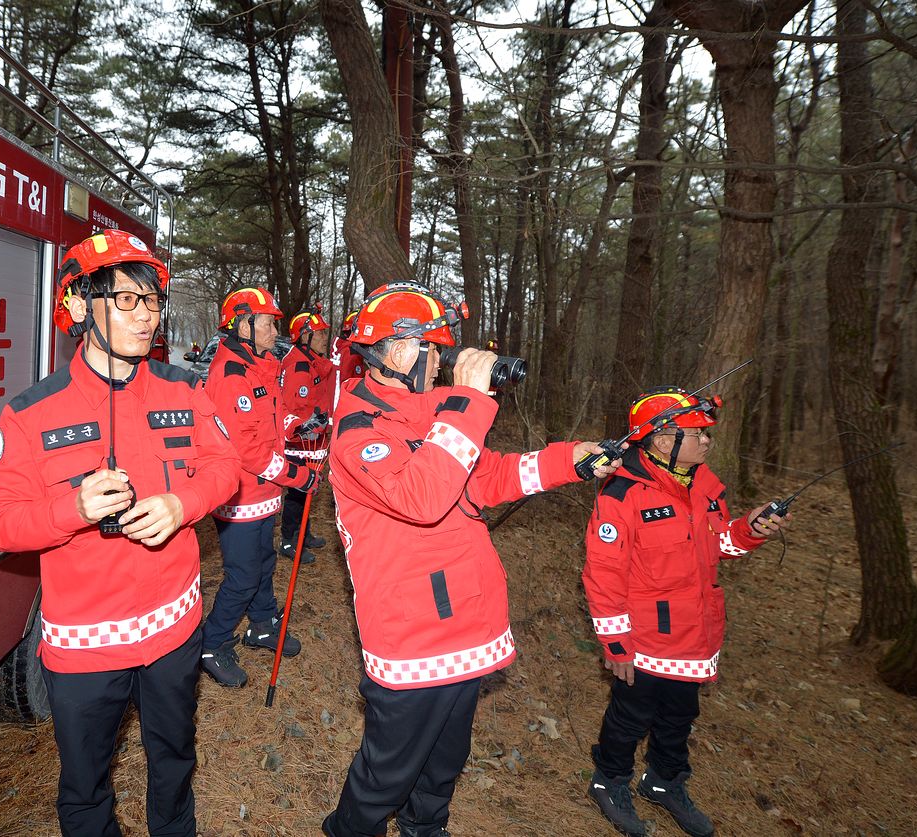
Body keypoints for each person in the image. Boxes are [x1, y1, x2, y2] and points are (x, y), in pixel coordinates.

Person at [320, 286, 621, 837]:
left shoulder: (428, 411)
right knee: (387, 773)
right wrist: (469, 401)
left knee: (444, 760)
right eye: (435, 349)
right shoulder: (358, 429)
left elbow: (485, 477)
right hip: (413, 633)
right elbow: (422, 498)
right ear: (399, 351)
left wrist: (569, 461)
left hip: (464, 616)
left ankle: (425, 826)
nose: (443, 362)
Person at [0, 229, 241, 837]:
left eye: (152, 301)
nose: (146, 316)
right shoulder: (29, 414)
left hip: (173, 633)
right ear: (80, 306)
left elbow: (226, 467)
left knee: (174, 760)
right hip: (84, 650)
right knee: (85, 787)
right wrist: (70, 508)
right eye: (127, 300)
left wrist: (183, 503)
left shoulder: (183, 388)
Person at [582, 388, 790, 837]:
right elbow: (603, 573)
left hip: (696, 631)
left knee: (680, 715)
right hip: (645, 637)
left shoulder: (706, 486)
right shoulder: (622, 493)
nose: (707, 441)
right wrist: (615, 644)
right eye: (697, 434)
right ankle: (609, 781)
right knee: (630, 716)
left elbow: (718, 545)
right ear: (662, 440)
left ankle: (663, 781)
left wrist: (751, 530)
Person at [200, 287, 318, 688]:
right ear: (243, 325)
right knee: (243, 576)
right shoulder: (231, 376)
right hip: (241, 497)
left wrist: (299, 427)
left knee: (265, 563)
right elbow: (247, 451)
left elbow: (273, 418)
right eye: (268, 323)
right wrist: (298, 476)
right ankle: (212, 643)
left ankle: (263, 625)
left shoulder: (260, 367)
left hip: (263, 494)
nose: (275, 331)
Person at [278, 307, 336, 561]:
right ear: (304, 336)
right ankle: (289, 541)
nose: (325, 338)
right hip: (300, 443)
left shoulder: (311, 362)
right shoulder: (299, 366)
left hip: (311, 442)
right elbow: (294, 408)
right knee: (297, 492)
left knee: (308, 489)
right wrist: (309, 426)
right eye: (320, 333)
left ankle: (304, 532)